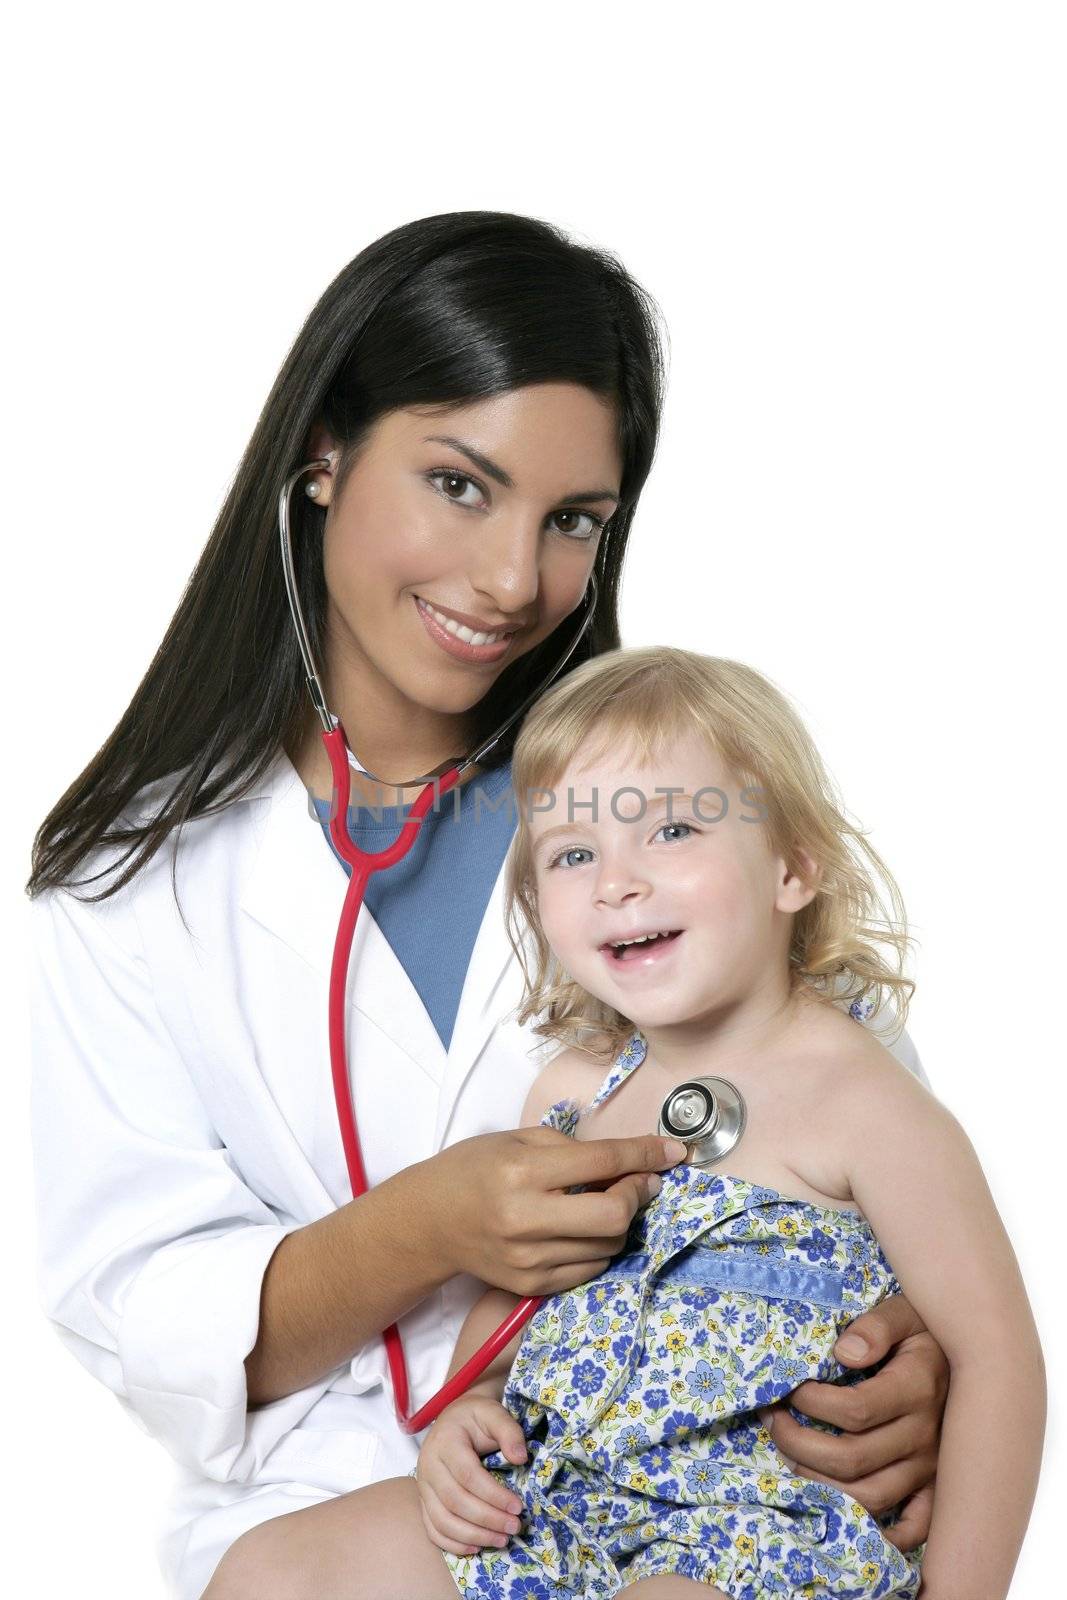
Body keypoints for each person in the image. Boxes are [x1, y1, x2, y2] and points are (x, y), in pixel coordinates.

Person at [26, 213, 947, 1600]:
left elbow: (863, 1133)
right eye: (460, 485)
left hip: (710, 1497)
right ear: (321, 453)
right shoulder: (133, 880)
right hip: (331, 1520)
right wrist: (424, 1230)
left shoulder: (675, 796)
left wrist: (906, 1354)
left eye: (570, 520)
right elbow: (140, 1313)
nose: (515, 581)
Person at [212, 648, 1044, 1600]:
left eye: (673, 830)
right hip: (560, 1498)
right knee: (274, 1570)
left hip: (753, 1530)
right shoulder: (572, 1093)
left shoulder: (866, 1104)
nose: (615, 882)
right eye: (573, 854)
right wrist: (467, 1415)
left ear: (792, 867)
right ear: (536, 902)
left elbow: (996, 1358)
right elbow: (522, 1291)